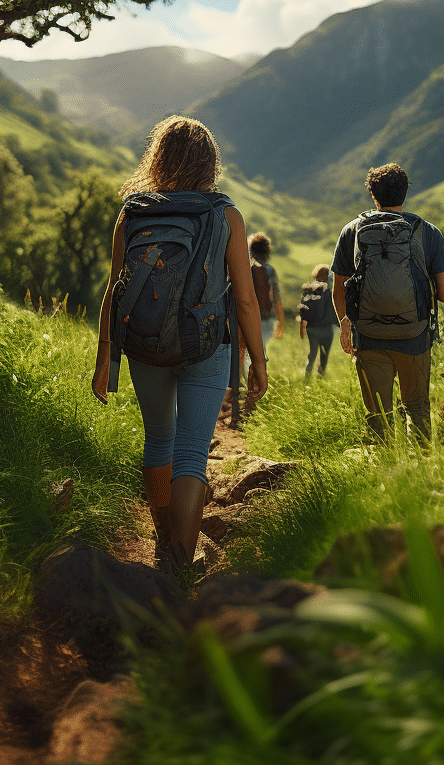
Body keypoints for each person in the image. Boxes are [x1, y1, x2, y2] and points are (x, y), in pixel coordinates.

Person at [92, 116, 268, 571]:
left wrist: (104, 358)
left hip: (144, 344)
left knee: (159, 440)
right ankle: (179, 566)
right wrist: (258, 366)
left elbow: (115, 289)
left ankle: (163, 532)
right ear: (210, 164)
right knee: (192, 450)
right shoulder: (225, 214)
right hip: (207, 346)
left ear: (158, 158)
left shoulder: (134, 211)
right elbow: (246, 301)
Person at [331, 163, 444, 441]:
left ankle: (384, 474)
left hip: (369, 335)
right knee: (416, 408)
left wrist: (344, 325)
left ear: (373, 195)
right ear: (405, 193)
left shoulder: (352, 230)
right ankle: (422, 471)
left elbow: (339, 286)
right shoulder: (428, 232)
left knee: (379, 415)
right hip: (414, 335)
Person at [297, 264, 336, 378]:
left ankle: (307, 379)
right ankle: (320, 379)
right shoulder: (328, 291)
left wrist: (302, 328)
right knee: (324, 356)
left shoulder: (308, 289)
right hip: (327, 328)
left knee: (312, 355)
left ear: (316, 274)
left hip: (312, 327)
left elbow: (302, 308)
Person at [248, 231, 284, 349]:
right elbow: (276, 297)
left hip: (247, 318)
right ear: (267, 250)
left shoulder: (245, 269)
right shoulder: (269, 270)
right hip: (266, 319)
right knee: (260, 355)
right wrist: (281, 322)